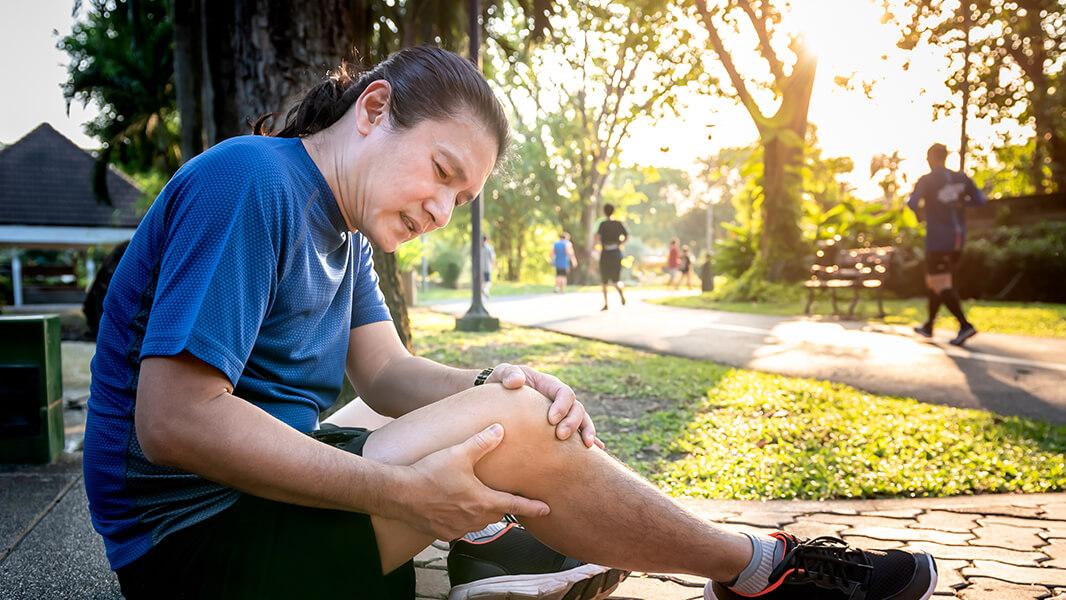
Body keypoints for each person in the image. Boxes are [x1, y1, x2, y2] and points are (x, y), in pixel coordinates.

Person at [84, 46, 937, 600]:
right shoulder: (253, 182)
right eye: (443, 172)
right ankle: (761, 571)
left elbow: (386, 375)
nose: (443, 211)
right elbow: (176, 420)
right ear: (374, 109)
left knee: (516, 409)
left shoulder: (343, 233)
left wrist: (503, 380)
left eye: (464, 199)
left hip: (257, 515)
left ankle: (507, 547)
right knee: (513, 429)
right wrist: (400, 490)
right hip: (195, 553)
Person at [907, 143, 987, 346]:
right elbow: (980, 200)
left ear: (931, 158)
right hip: (958, 239)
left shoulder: (926, 181)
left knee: (940, 283)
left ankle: (964, 325)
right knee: (937, 282)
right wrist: (960, 203)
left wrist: (920, 215)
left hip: (938, 239)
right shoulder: (961, 178)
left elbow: (912, 203)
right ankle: (929, 325)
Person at [594, 203, 629, 311]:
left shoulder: (602, 224)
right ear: (613, 211)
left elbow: (597, 237)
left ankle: (606, 304)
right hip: (616, 253)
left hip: (605, 253)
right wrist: (620, 244)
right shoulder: (619, 223)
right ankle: (620, 293)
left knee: (604, 281)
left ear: (604, 212)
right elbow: (626, 236)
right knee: (615, 280)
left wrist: (601, 244)